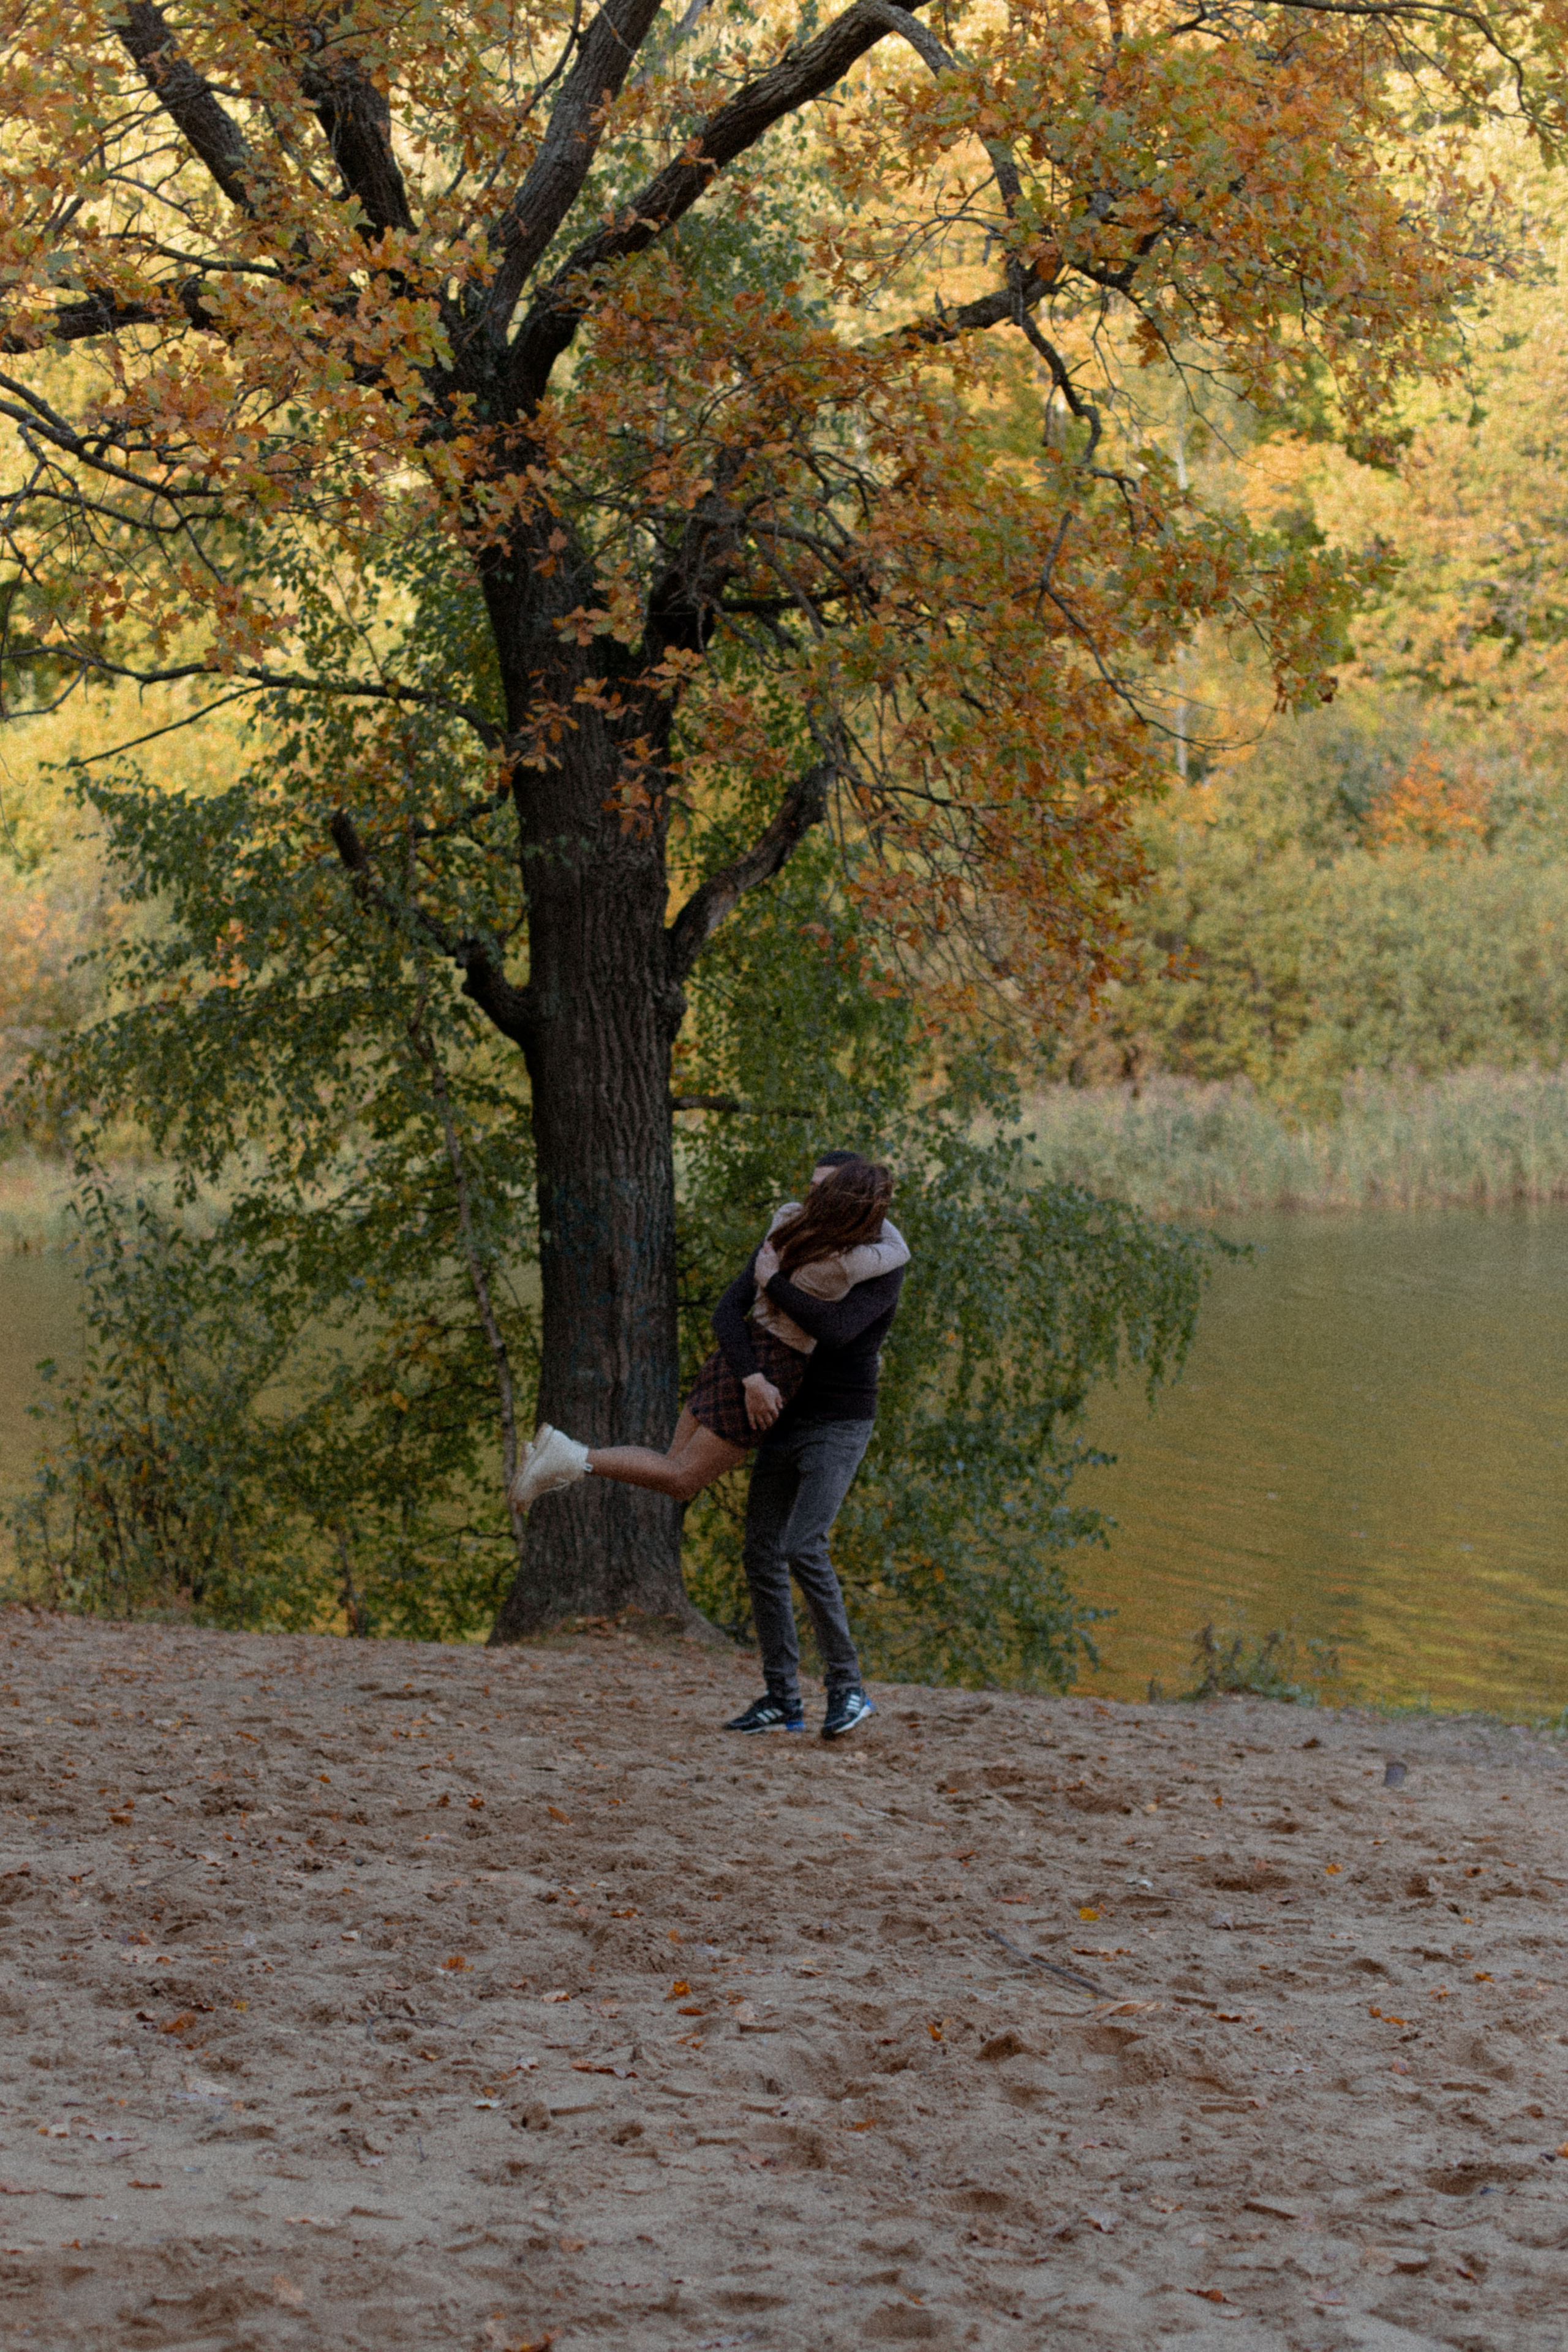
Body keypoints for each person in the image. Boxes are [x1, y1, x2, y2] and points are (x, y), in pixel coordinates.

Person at [511, 1153, 905, 1534]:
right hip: (774, 1366)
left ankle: (560, 1457)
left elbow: (733, 1309)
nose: (812, 1195)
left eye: (823, 1189)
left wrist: (768, 1283)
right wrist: (756, 1381)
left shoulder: (786, 1224)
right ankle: (571, 1457)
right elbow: (897, 1251)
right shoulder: (845, 1261)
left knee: (670, 1464)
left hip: (738, 1350)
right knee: (682, 1480)